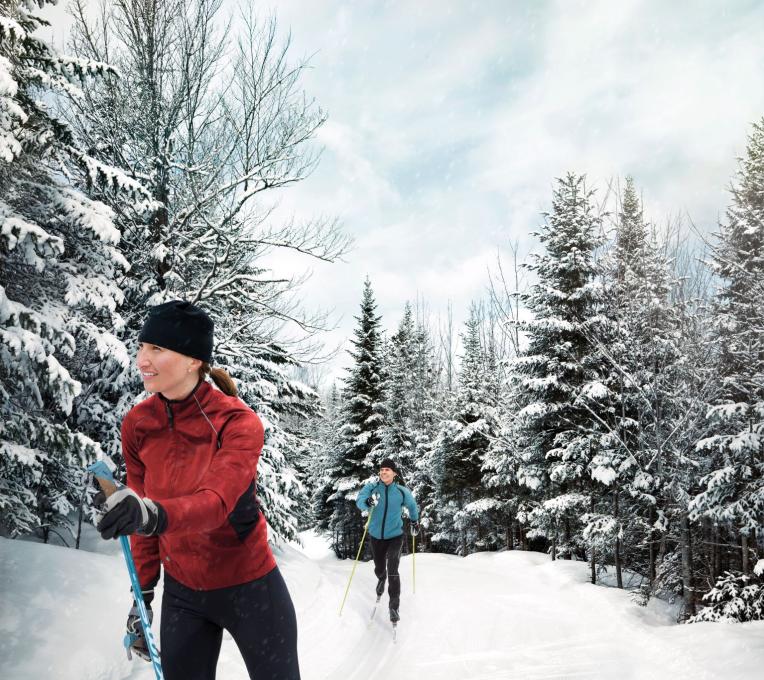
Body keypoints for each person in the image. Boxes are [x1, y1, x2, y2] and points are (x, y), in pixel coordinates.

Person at [95, 300, 300, 680]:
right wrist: (142, 596)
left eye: (156, 349)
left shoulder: (236, 422)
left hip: (250, 588)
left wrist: (150, 514)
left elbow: (216, 502)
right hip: (184, 593)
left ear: (193, 360)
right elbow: (140, 516)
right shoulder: (138, 424)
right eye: (142, 347)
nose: (142, 360)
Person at [355, 458, 420, 623]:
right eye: (382, 469)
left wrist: (414, 521)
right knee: (379, 567)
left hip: (395, 537)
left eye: (388, 470)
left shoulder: (401, 491)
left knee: (393, 568)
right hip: (376, 536)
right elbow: (360, 500)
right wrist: (368, 502)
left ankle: (394, 607)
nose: (384, 472)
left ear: (394, 473)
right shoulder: (372, 488)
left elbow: (412, 506)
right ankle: (381, 578)